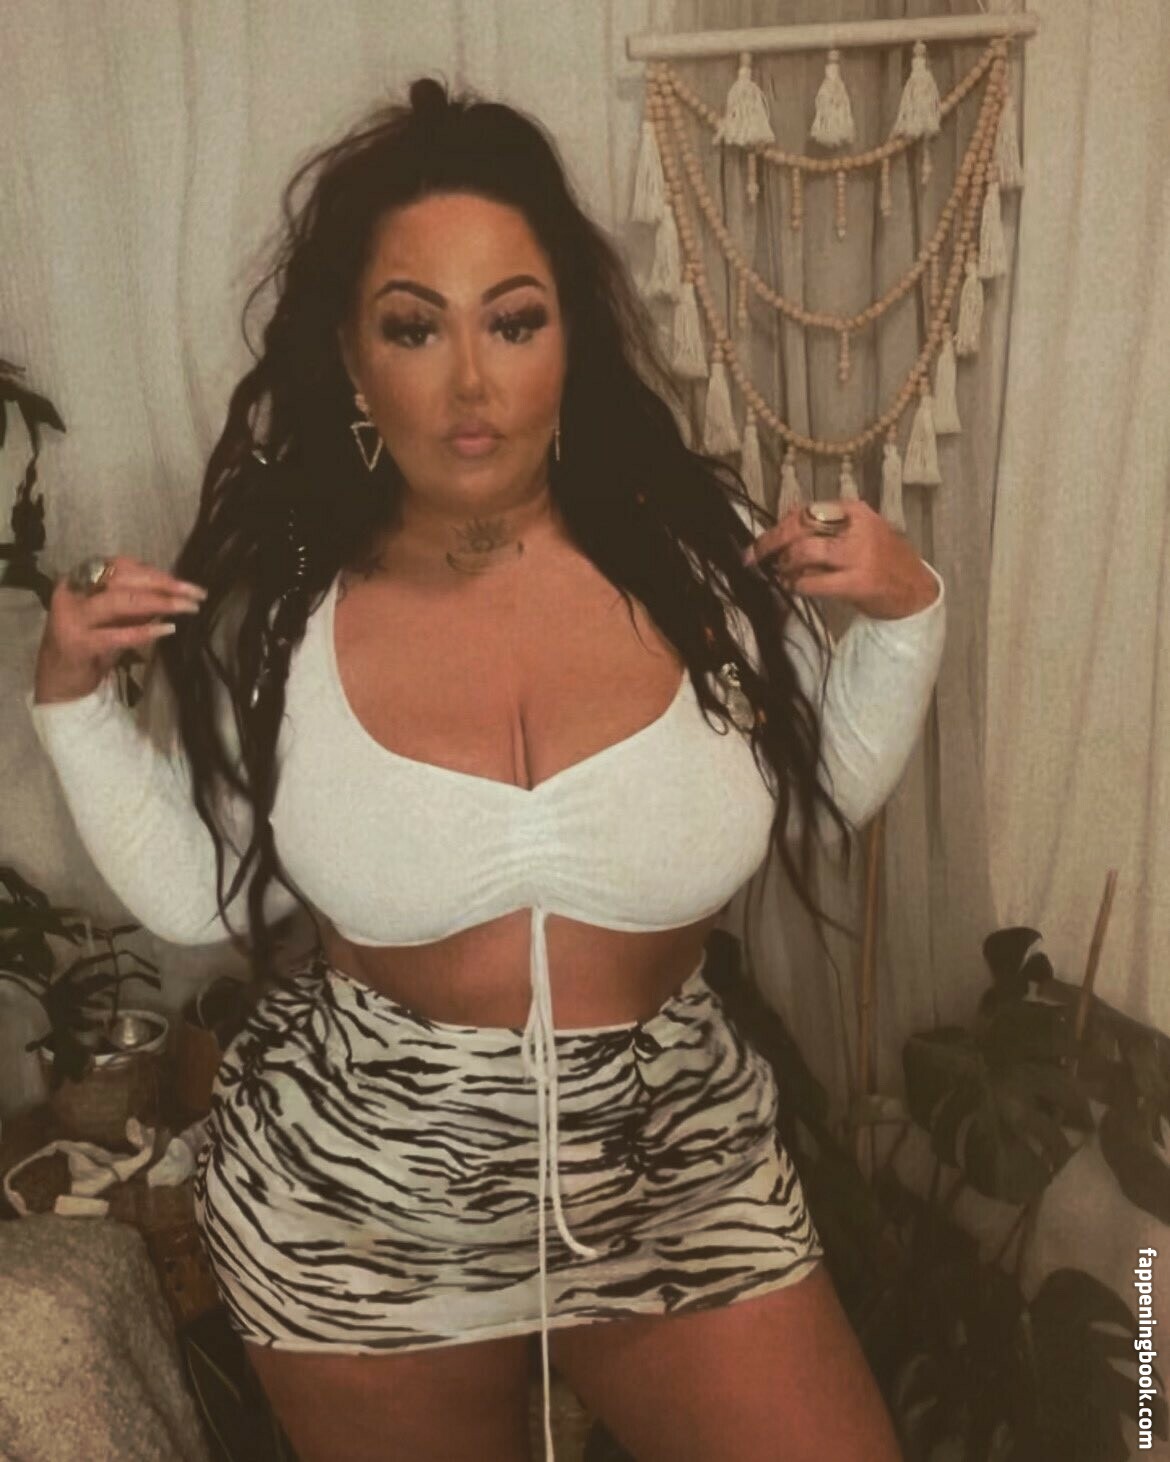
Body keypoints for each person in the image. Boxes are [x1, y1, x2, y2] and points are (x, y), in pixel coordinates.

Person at [27, 77, 945, 1462]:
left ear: (568, 339)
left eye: (513, 322)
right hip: (362, 1193)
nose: (471, 382)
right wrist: (73, 702)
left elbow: (820, 787)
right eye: (415, 327)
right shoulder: (284, 616)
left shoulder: (699, 568)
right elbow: (197, 892)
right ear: (352, 359)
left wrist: (907, 612)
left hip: (674, 1165)